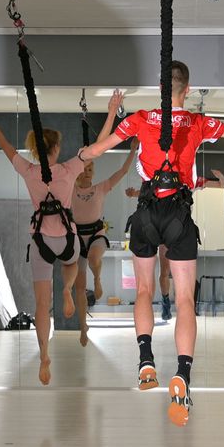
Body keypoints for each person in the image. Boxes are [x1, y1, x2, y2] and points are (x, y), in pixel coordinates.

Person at [80, 61, 224, 426]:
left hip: (145, 214)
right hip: (179, 217)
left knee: (143, 290)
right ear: (187, 91)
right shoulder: (197, 123)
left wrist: (83, 155)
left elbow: (97, 151)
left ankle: (146, 359)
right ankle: (183, 374)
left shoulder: (140, 119)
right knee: (184, 298)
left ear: (158, 88)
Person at [0, 96, 89, 385]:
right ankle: (67, 288)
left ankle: (43, 355)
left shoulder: (28, 171)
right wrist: (113, 112)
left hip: (40, 240)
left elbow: (4, 147)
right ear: (55, 148)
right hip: (66, 237)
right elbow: (97, 149)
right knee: (72, 262)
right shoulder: (68, 170)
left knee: (42, 305)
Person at [124, 169, 224, 320]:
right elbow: (152, 194)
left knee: (176, 278)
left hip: (177, 229)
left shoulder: (190, 178)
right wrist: (134, 194)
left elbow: (222, 185)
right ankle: (166, 300)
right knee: (164, 272)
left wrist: (221, 177)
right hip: (165, 228)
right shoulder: (159, 179)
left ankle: (179, 303)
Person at [73, 91, 137, 306]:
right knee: (77, 277)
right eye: (85, 168)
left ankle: (98, 279)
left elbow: (122, 171)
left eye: (91, 168)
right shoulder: (68, 188)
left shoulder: (101, 188)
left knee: (93, 259)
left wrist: (133, 151)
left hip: (96, 233)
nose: (88, 171)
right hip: (75, 234)